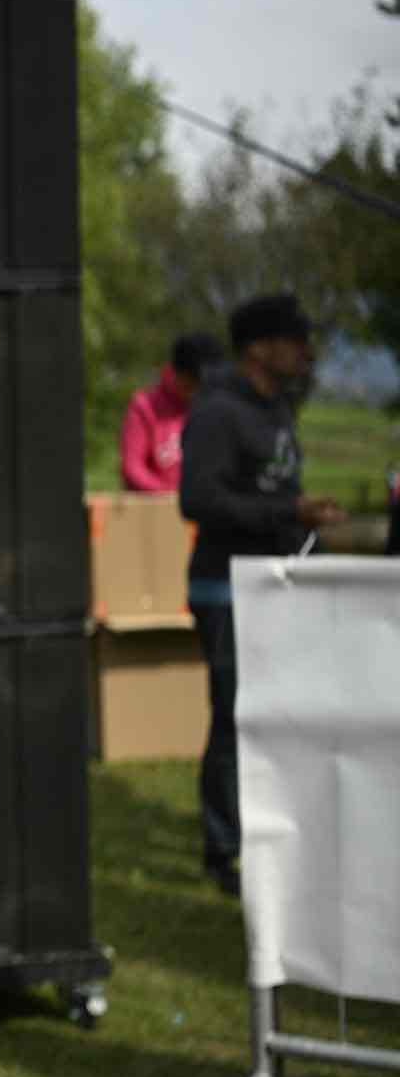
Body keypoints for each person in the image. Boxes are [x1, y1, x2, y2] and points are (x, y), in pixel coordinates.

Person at [180, 293, 344, 896]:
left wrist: (304, 525)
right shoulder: (218, 413)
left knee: (282, 718)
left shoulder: (277, 409)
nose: (307, 352)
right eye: (294, 340)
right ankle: (223, 849)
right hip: (225, 589)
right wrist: (289, 508)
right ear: (258, 348)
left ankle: (272, 835)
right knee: (235, 718)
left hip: (280, 585)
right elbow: (195, 501)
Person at [120, 331, 225, 491]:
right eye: (191, 386)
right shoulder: (144, 407)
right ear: (177, 373)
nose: (197, 393)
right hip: (157, 509)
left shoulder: (220, 408)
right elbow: (132, 468)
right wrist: (171, 496)